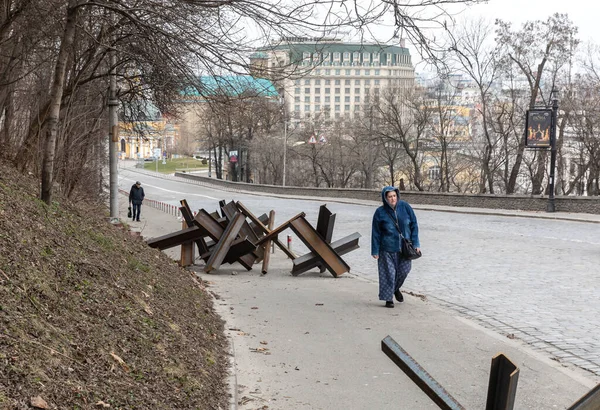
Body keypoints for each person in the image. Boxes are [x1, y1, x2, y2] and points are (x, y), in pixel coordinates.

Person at [371, 186, 420, 308]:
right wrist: (375, 250)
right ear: (385, 198)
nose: (392, 199)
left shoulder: (405, 207)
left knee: (404, 270)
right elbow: (375, 232)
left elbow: (414, 224)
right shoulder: (380, 212)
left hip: (405, 247)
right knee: (389, 274)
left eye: (394, 196)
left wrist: (416, 243)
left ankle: (395, 288)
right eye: (390, 197)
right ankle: (389, 299)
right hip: (386, 248)